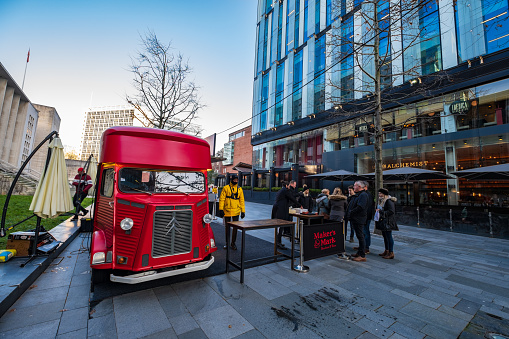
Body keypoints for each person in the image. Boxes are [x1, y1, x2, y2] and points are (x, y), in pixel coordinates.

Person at [218, 174, 245, 250]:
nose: (236, 181)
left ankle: (233, 243)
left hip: (236, 211)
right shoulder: (226, 188)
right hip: (227, 211)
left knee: (235, 228)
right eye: (234, 180)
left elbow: (242, 200)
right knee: (227, 228)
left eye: (237, 180)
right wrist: (220, 209)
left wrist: (243, 211)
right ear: (231, 180)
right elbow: (222, 199)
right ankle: (227, 243)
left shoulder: (239, 189)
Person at [271, 181, 301, 249]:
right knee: (281, 226)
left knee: (280, 227)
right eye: (288, 186)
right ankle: (278, 243)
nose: (289, 187)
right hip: (280, 210)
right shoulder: (285, 191)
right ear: (287, 185)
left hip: (278, 209)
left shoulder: (281, 190)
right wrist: (299, 205)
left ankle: (278, 242)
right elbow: (292, 198)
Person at [346, 181, 369, 262]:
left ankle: (362, 255)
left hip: (359, 219)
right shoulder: (359, 194)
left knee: (360, 236)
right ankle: (359, 252)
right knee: (360, 236)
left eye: (355, 186)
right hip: (356, 218)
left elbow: (360, 207)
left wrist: (350, 212)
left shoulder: (363, 195)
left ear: (359, 186)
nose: (353, 187)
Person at [375, 188, 399, 259]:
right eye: (379, 193)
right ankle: (387, 250)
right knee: (385, 236)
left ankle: (391, 252)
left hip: (388, 221)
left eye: (380, 193)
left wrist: (381, 211)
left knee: (388, 236)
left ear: (384, 194)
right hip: (383, 221)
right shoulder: (381, 201)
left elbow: (391, 211)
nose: (379, 195)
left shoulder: (388, 201)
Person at [354, 181, 375, 254]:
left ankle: (366, 247)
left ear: (365, 186)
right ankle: (362, 246)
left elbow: (367, 207)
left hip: (366, 217)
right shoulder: (363, 194)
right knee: (362, 232)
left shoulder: (366, 195)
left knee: (365, 232)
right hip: (364, 216)